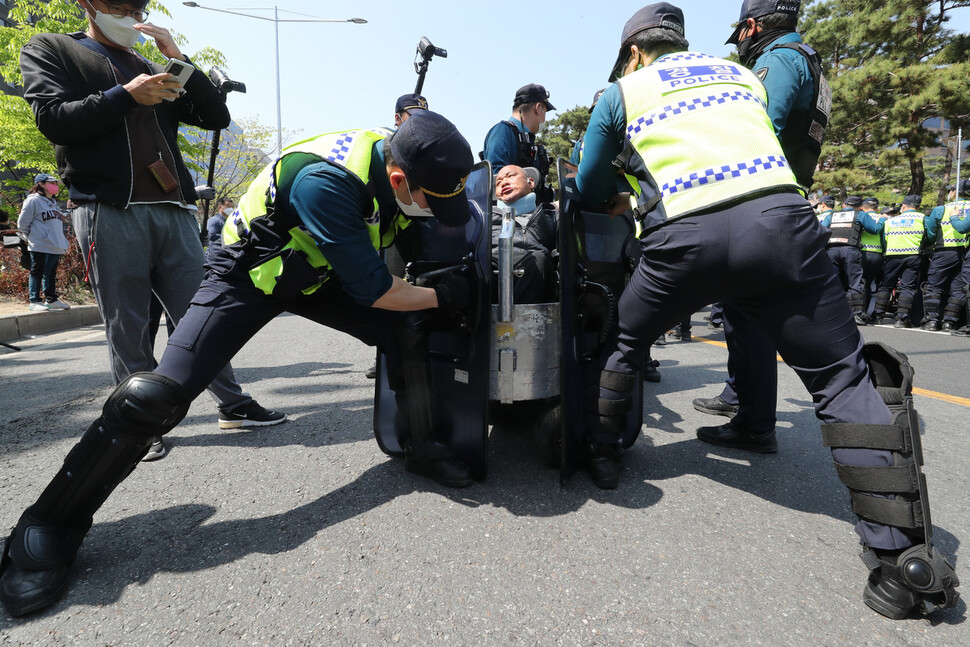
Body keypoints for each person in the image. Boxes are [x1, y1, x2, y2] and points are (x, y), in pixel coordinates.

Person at [0, 110, 478, 618]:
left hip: (316, 274)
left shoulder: (405, 162)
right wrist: (441, 295)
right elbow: (378, 290)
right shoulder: (327, 182)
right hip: (248, 275)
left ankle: (422, 444)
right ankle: (46, 527)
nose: (434, 210)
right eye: (431, 201)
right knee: (152, 398)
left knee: (409, 329)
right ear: (402, 179)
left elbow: (413, 251)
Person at [574, 2, 957, 618]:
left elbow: (591, 183)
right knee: (841, 378)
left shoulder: (625, 90)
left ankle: (604, 454)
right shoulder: (741, 74)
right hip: (781, 228)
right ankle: (903, 563)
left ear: (637, 53)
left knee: (623, 340)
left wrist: (625, 200)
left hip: (682, 244)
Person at [19, 0, 285, 462]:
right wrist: (126, 95)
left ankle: (234, 404)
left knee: (204, 315)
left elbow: (214, 118)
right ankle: (138, 422)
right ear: (88, 4)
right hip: (108, 206)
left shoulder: (149, 60)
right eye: (116, 5)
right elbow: (53, 119)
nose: (128, 12)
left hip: (172, 207)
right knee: (128, 323)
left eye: (136, 5)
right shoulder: (53, 48)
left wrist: (178, 59)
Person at [692, 0, 830, 447]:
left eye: (742, 38)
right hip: (790, 195)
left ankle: (754, 424)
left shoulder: (779, 60)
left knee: (746, 311)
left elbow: (755, 127)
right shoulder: (811, 60)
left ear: (751, 26)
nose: (743, 49)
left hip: (761, 198)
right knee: (743, 310)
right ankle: (741, 395)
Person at [491, 164, 558, 304]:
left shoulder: (548, 215)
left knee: (537, 259)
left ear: (531, 182)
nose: (504, 182)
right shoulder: (484, 217)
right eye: (499, 182)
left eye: (510, 176)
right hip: (492, 268)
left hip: (534, 271)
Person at [482, 84, 555, 200]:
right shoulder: (502, 131)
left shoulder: (528, 140)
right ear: (538, 107)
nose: (545, 118)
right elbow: (497, 178)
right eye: (545, 112)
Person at [871, 195, 934, 328]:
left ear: (903, 206)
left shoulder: (891, 221)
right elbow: (930, 236)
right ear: (918, 207)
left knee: (886, 286)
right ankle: (901, 319)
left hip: (892, 255)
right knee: (908, 287)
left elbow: (884, 240)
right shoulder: (923, 218)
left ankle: (878, 316)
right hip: (913, 255)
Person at [819, 195, 883, 325]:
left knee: (833, 283)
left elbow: (821, 231)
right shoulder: (860, 214)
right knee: (855, 283)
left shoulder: (832, 215)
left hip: (831, 251)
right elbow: (874, 230)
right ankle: (857, 315)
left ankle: (831, 314)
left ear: (843, 205)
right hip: (850, 251)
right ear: (859, 206)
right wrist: (881, 220)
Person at [17, 174, 71, 311]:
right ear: (41, 184)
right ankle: (34, 300)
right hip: (40, 243)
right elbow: (22, 224)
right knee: (37, 271)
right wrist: (34, 237)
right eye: (51, 182)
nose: (55, 185)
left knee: (50, 272)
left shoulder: (53, 203)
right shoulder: (33, 201)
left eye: (56, 183)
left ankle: (51, 299)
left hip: (55, 244)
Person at [920, 181, 969, 331]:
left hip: (944, 251)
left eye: (951, 190)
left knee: (935, 286)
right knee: (958, 288)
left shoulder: (942, 209)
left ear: (954, 192)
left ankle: (932, 321)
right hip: (965, 253)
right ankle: (950, 322)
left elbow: (931, 232)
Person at [858, 196, 885, 314]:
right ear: (877, 208)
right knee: (873, 285)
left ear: (862, 207)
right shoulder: (883, 219)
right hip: (878, 255)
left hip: (862, 253)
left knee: (860, 283)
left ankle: (858, 312)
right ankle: (869, 313)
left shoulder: (860, 217)